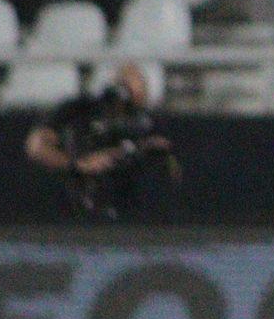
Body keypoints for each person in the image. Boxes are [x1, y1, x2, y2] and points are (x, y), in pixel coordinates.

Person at [23, 61, 177, 219]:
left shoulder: (146, 124)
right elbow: (36, 147)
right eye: (128, 85)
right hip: (67, 210)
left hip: (126, 214)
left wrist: (134, 150)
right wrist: (78, 164)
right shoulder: (79, 110)